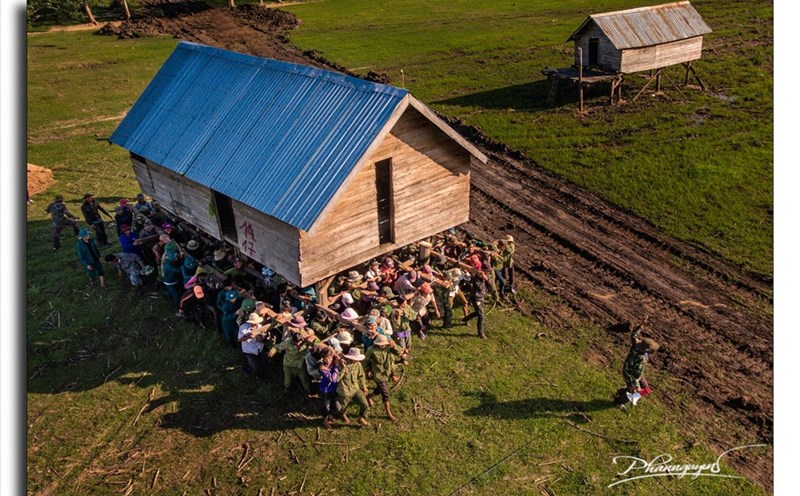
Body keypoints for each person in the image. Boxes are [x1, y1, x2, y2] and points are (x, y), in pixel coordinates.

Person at [364, 334, 406, 422]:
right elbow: (365, 362)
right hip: (378, 374)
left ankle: (368, 397)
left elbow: (400, 353)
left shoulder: (388, 348)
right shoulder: (371, 350)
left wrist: (394, 346)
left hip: (387, 373)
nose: (383, 345)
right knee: (385, 394)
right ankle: (389, 414)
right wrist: (367, 371)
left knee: (380, 389)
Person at [268, 318, 313, 396]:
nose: (297, 344)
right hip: (288, 364)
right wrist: (273, 350)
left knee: (304, 379)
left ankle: (307, 391)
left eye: (299, 342)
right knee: (287, 379)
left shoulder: (306, 341)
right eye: (296, 342)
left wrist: (309, 334)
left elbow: (313, 336)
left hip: (300, 365)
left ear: (302, 340)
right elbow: (278, 347)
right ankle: (287, 389)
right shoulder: (288, 342)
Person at [622, 316, 660, 406]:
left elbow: (634, 334)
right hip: (630, 375)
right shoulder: (641, 360)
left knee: (645, 388)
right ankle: (619, 401)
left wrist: (641, 325)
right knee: (632, 392)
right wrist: (636, 387)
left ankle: (623, 391)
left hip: (628, 369)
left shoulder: (636, 344)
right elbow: (636, 375)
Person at [336, 347, 371, 426]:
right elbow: (337, 379)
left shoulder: (358, 364)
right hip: (344, 390)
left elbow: (361, 376)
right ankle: (343, 416)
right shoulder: (341, 365)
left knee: (365, 404)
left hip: (355, 388)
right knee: (342, 406)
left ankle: (361, 418)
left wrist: (364, 386)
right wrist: (343, 368)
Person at [238, 313, 270, 378]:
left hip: (259, 347)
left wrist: (260, 335)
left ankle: (264, 374)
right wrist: (248, 337)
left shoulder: (260, 327)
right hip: (249, 350)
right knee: (255, 366)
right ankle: (256, 375)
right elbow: (239, 339)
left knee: (263, 362)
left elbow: (261, 340)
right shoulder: (243, 328)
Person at [463, 267, 489, 339]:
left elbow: (490, 285)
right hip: (476, 299)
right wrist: (483, 279)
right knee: (481, 316)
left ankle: (466, 319)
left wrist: (486, 280)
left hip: (482, 298)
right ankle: (481, 333)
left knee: (478, 313)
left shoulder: (486, 278)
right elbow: (480, 287)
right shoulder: (476, 279)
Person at [318, 351, 342, 429]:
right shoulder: (323, 367)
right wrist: (337, 366)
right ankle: (325, 420)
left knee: (336, 406)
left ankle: (330, 415)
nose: (328, 360)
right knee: (326, 406)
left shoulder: (333, 364)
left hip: (334, 388)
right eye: (326, 358)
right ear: (323, 358)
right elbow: (332, 378)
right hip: (325, 389)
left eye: (330, 358)